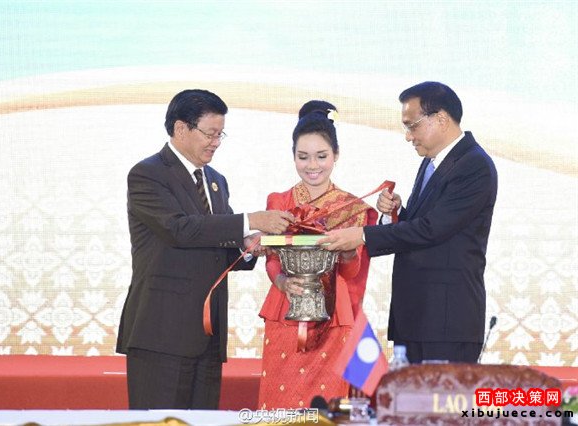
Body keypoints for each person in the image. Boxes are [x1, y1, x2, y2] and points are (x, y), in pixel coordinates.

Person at [116, 89, 294, 409]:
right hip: (162, 334)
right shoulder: (148, 174)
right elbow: (180, 230)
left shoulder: (216, 180)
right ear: (181, 128)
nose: (216, 142)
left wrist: (248, 246)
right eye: (210, 133)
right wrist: (250, 220)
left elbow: (218, 243)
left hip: (208, 334)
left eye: (220, 134)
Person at [320, 82, 498, 364]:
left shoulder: (474, 165)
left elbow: (432, 230)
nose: (408, 136)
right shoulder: (431, 162)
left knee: (439, 395)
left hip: (446, 322)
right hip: (417, 316)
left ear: (441, 118)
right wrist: (398, 213)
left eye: (412, 126)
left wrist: (364, 235)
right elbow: (424, 225)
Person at [257, 101, 378, 410]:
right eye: (303, 157)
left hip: (333, 318)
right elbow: (272, 257)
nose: (313, 165)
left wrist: (347, 252)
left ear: (336, 155)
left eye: (322, 156)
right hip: (286, 311)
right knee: (280, 403)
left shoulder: (351, 208)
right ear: (293, 156)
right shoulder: (279, 201)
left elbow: (352, 273)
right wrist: (282, 282)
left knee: (326, 406)